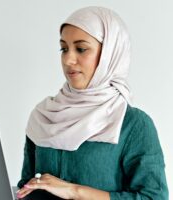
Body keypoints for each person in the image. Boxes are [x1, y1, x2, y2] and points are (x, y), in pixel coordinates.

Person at [16, 6, 168, 200]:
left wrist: (74, 191)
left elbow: (154, 197)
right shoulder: (44, 115)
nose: (69, 59)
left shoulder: (132, 124)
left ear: (109, 55)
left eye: (81, 49)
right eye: (64, 49)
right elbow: (26, 188)